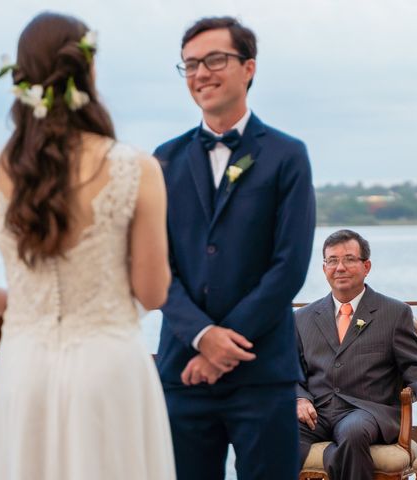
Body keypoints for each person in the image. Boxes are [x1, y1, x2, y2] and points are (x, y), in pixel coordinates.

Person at [0, 12, 175, 480]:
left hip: (23, 371)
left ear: (21, 78)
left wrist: (27, 303)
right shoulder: (135, 168)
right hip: (110, 366)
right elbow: (152, 292)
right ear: (87, 72)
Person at [153, 16, 316, 480]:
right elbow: (157, 266)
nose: (200, 73)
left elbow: (289, 266)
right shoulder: (163, 160)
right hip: (183, 370)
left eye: (213, 60)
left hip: (262, 371)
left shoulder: (287, 155)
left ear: (248, 68)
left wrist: (224, 346)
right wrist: (202, 338)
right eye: (189, 65)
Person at [295, 229, 417, 480]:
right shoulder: (303, 318)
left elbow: (416, 366)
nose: (340, 267)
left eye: (349, 259)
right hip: (316, 411)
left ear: (366, 266)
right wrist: (298, 399)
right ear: (324, 268)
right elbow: (290, 372)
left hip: (368, 412)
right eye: (332, 260)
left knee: (352, 433)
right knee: (271, 432)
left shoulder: (395, 313)